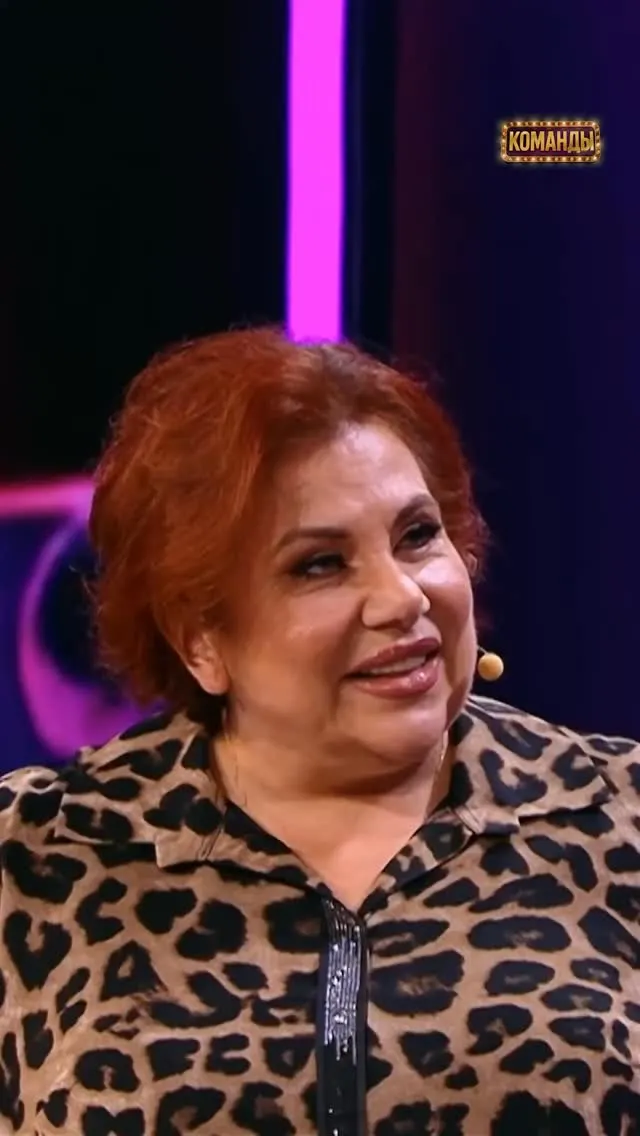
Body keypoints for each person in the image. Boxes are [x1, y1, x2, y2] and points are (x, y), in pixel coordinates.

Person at [0, 327, 638, 1136]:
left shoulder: (616, 816)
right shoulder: (35, 854)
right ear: (201, 639)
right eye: (320, 564)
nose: (401, 598)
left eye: (418, 535)